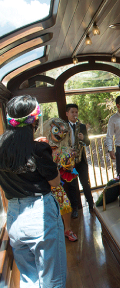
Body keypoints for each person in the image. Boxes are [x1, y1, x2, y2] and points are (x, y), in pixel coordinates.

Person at [0, 95, 66, 287]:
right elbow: (55, 182)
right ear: (34, 120)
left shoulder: (3, 148)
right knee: (52, 278)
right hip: (40, 215)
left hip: (14, 217)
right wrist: (45, 152)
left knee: (29, 279)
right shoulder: (38, 149)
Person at [35, 118, 78, 242]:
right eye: (56, 130)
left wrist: (69, 164)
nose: (59, 134)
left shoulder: (63, 151)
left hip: (56, 184)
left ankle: (67, 229)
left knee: (65, 204)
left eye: (63, 132)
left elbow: (69, 170)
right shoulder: (39, 146)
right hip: (40, 187)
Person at [65, 103, 94, 217]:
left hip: (81, 159)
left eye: (76, 112)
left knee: (85, 183)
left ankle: (91, 204)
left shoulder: (81, 126)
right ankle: (75, 208)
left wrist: (83, 138)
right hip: (69, 161)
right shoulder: (63, 127)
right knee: (72, 185)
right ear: (67, 114)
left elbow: (88, 142)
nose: (74, 114)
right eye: (72, 112)